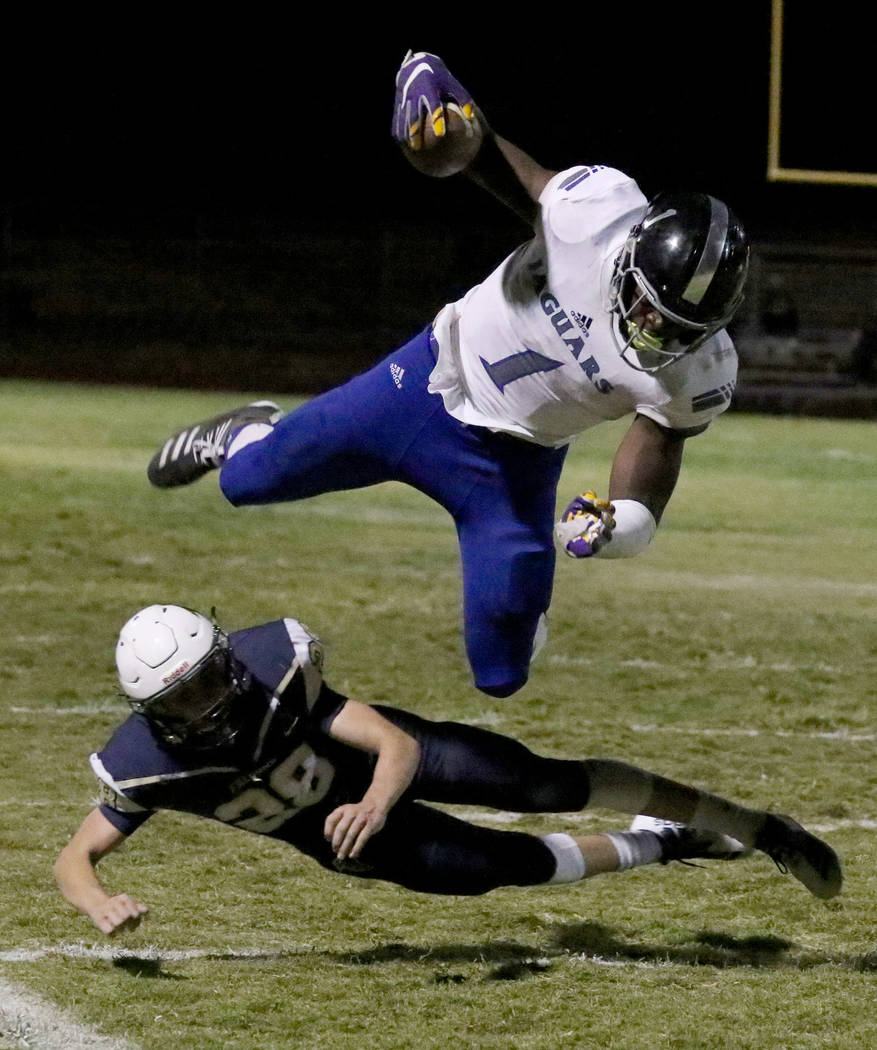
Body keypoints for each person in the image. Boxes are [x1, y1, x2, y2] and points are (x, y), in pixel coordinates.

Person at [145, 50, 749, 699]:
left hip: (513, 467)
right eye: (646, 307)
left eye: (678, 329)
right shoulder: (592, 217)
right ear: (629, 255)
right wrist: (450, 133)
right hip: (425, 383)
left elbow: (646, 486)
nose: (653, 333)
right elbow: (496, 167)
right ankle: (245, 429)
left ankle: (519, 605)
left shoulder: (700, 370)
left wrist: (611, 528)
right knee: (245, 480)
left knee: (500, 675)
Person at [54, 605, 841, 936]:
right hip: (345, 839)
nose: (211, 699)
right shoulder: (148, 764)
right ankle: (666, 844)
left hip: (385, 772)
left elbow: (391, 744)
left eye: (210, 675)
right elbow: (74, 856)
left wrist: (376, 802)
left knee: (543, 785)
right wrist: (99, 902)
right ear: (154, 712)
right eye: (184, 698)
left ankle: (753, 826)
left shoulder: (274, 669)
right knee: (502, 868)